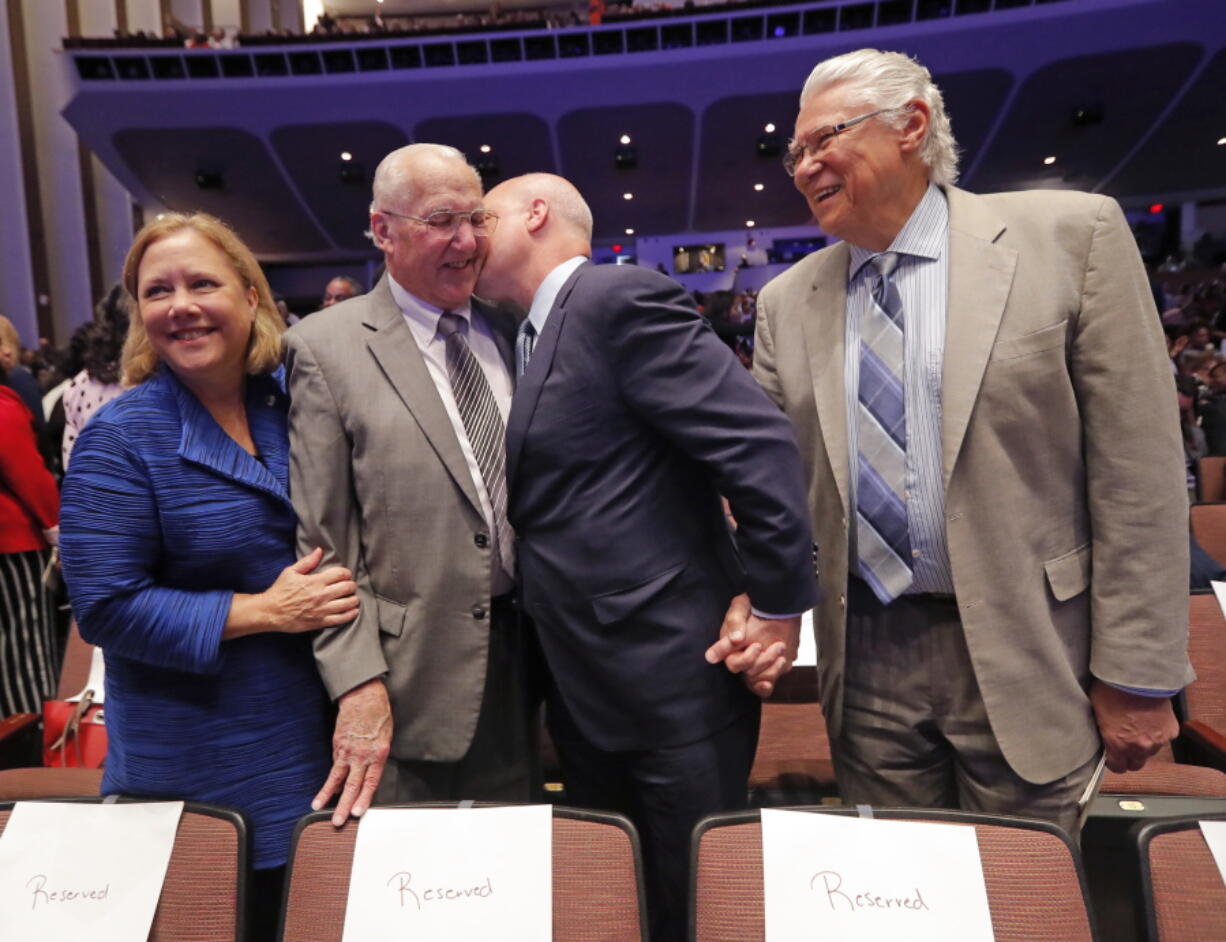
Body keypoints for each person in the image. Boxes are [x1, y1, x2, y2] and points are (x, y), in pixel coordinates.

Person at [753, 48, 1191, 832]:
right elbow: (769, 482)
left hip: (1034, 644)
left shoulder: (1071, 237)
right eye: (796, 151)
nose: (803, 165)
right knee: (906, 899)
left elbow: (1141, 477)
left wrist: (1140, 673)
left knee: (1037, 897)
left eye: (825, 139)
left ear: (911, 126)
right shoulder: (788, 300)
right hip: (867, 655)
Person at [476, 173, 817, 941]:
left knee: (691, 906)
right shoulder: (518, 335)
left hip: (670, 681)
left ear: (534, 215)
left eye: (481, 215)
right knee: (622, 904)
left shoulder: (614, 298)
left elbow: (757, 444)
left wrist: (774, 605)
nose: (466, 233)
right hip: (590, 682)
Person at [59, 213, 357, 937]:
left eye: (202, 283)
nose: (180, 304)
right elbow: (104, 607)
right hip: (193, 755)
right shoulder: (121, 437)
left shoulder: (292, 409)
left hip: (310, 739)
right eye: (156, 291)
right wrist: (264, 611)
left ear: (251, 296)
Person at [284, 143, 531, 825]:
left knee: (518, 874)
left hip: (535, 656)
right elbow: (324, 546)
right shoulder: (325, 349)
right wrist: (357, 683)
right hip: (411, 675)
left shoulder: (513, 327)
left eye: (478, 218)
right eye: (442, 219)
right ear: (383, 229)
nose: (467, 240)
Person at [0, 359, 59, 716]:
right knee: (25, 653)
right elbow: (28, 473)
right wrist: (57, 527)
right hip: (12, 546)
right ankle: (31, 747)